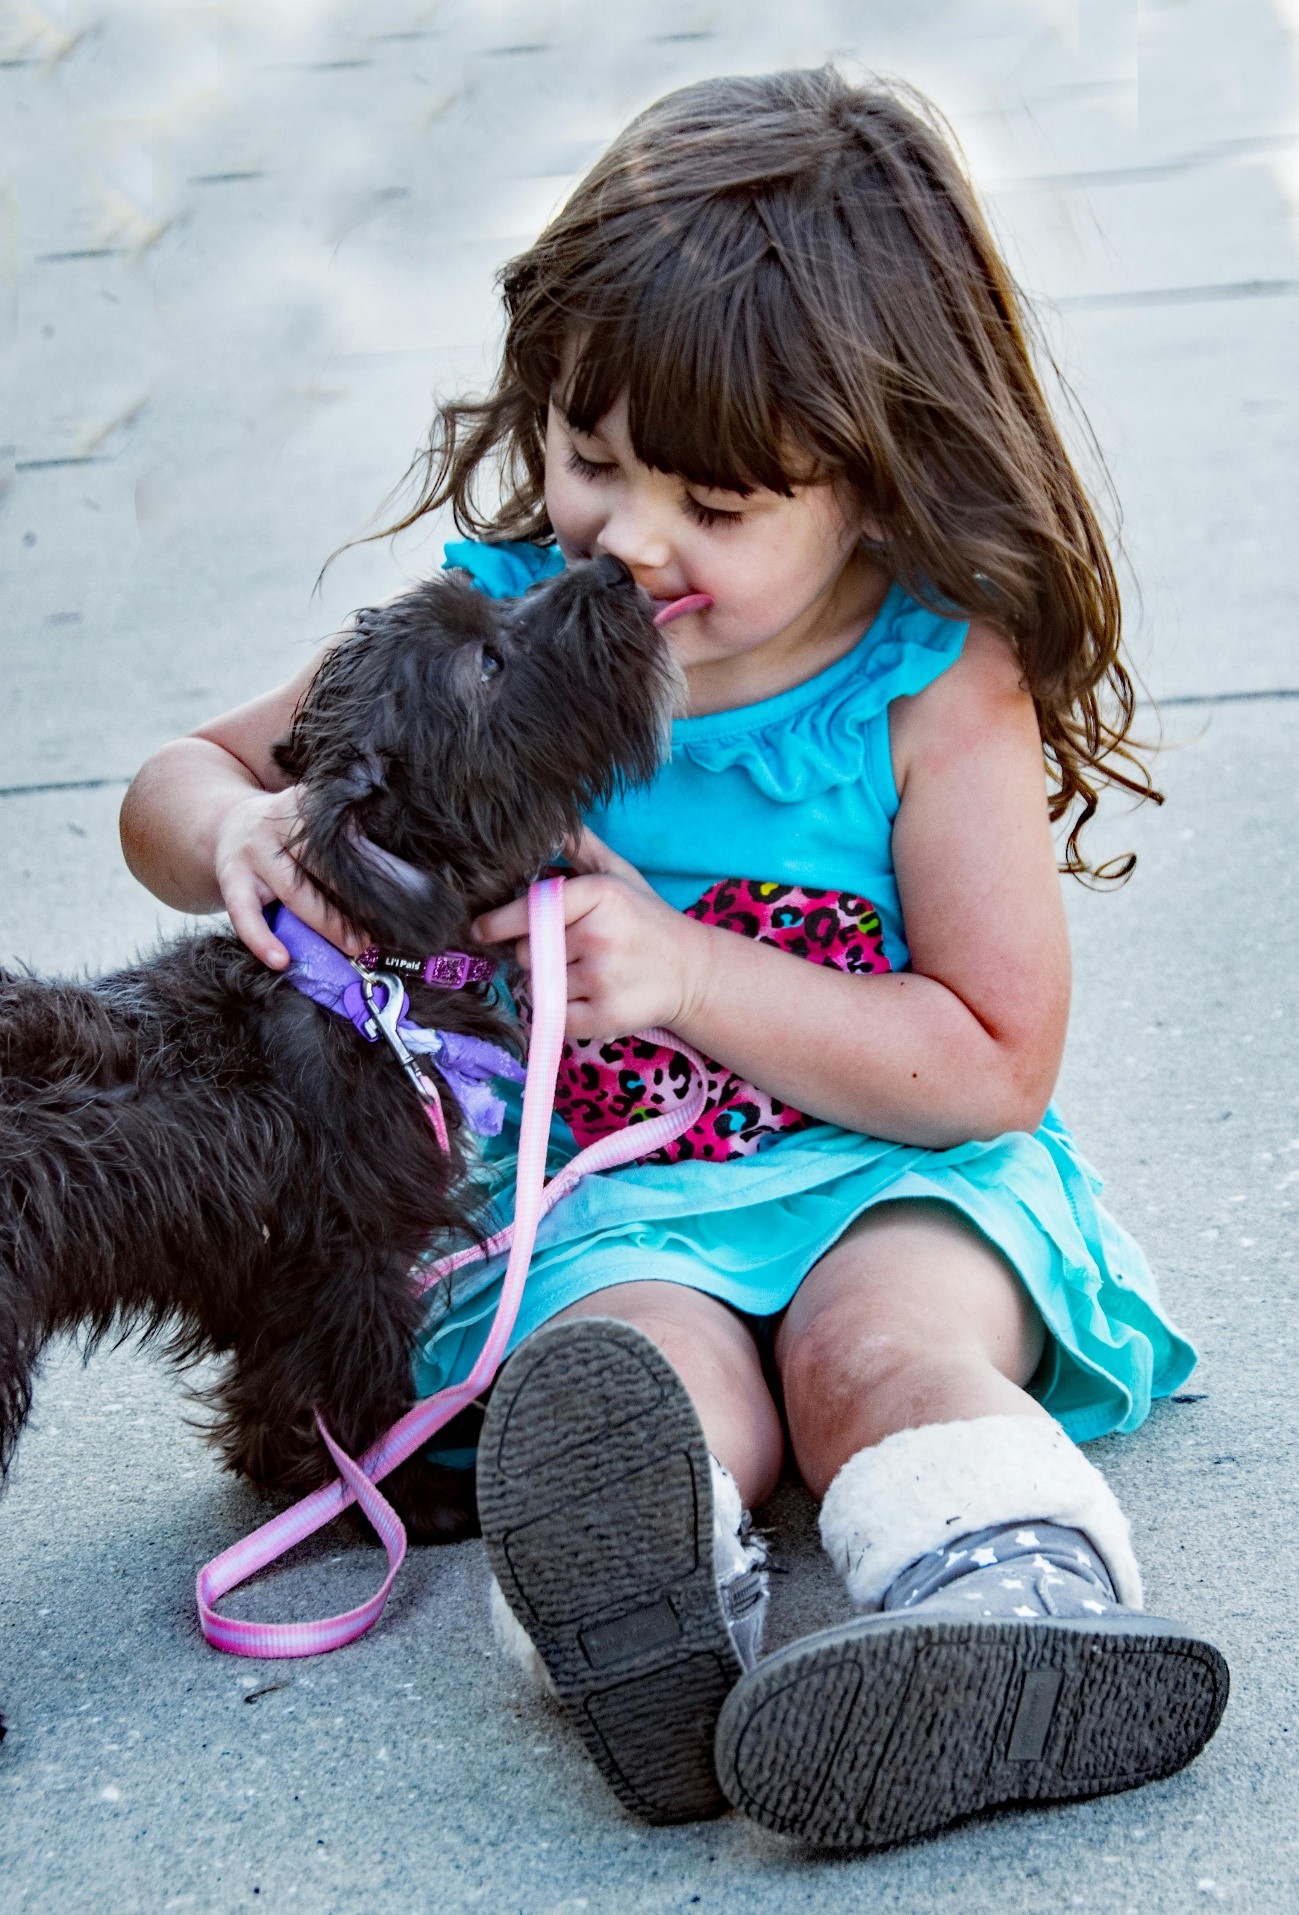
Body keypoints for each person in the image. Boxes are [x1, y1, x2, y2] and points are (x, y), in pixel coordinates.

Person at [121, 67, 1226, 1848]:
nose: (630, 543)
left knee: (879, 1354)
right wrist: (235, 836)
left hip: (886, 1165)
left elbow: (994, 1058)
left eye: (712, 505)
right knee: (636, 1373)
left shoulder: (936, 678)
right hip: (603, 1201)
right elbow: (183, 777)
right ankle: (638, 1633)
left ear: (875, 485)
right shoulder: (494, 612)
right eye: (591, 462)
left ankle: (1015, 1623)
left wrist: (697, 975)